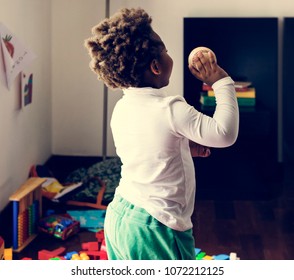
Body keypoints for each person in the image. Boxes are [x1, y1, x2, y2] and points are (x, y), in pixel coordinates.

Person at [84, 7, 239, 260]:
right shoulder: (171, 109)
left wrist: (182, 147)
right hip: (157, 227)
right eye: (165, 50)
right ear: (156, 66)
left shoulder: (122, 107)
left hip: (120, 215)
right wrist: (220, 80)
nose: (169, 54)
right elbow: (224, 133)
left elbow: (146, 149)